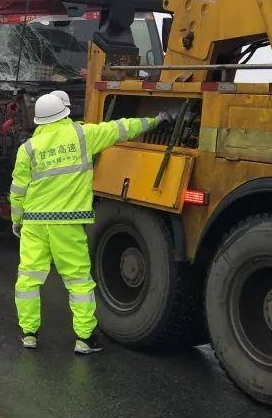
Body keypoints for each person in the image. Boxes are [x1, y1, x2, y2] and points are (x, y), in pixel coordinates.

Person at [10, 92, 173, 354]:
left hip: (34, 223)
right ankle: (84, 339)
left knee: (28, 279)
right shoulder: (82, 136)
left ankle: (29, 334)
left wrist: (17, 220)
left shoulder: (27, 149)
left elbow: (18, 190)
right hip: (66, 222)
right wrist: (156, 120)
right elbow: (120, 128)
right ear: (64, 113)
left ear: (39, 120)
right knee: (78, 281)